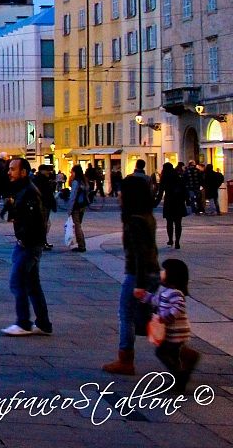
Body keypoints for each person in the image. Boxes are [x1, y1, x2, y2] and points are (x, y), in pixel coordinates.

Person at [102, 157, 159, 375]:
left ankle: (125, 359)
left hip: (138, 275)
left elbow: (140, 254)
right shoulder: (146, 216)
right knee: (146, 318)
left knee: (126, 314)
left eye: (122, 192)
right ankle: (178, 351)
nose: (119, 195)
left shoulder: (135, 220)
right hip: (149, 272)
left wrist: (140, 284)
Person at [3, 157, 52, 336]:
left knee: (17, 282)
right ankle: (44, 324)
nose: (9, 172)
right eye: (9, 169)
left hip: (29, 245)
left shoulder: (29, 192)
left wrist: (25, 240)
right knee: (33, 284)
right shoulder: (23, 189)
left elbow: (35, 222)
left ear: (23, 172)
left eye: (13, 169)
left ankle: (23, 323)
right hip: (28, 244)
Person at [134, 258, 200, 391]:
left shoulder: (176, 293)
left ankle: (179, 375)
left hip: (176, 332)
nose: (162, 273)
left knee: (162, 352)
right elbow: (155, 300)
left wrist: (165, 317)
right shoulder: (165, 292)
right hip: (170, 332)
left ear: (172, 276)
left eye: (165, 271)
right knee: (173, 354)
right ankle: (181, 371)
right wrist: (144, 296)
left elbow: (177, 309)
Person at [156, 162, 188, 249]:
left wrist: (156, 203)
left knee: (169, 222)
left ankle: (170, 239)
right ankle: (177, 241)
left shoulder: (164, 178)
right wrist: (186, 200)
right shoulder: (178, 176)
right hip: (179, 202)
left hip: (169, 201)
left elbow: (161, 192)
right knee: (178, 223)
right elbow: (184, 189)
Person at [66, 164, 90, 253]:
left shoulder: (76, 182)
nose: (71, 174)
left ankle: (81, 245)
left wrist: (69, 209)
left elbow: (73, 196)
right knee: (78, 224)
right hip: (82, 205)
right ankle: (81, 244)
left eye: (72, 172)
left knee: (77, 226)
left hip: (76, 206)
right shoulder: (84, 181)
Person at [33, 164, 57, 247]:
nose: (48, 172)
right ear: (42, 171)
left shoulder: (42, 179)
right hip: (43, 204)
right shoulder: (41, 180)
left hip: (45, 204)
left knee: (45, 224)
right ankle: (42, 242)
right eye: (47, 170)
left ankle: (43, 241)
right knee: (43, 224)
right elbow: (47, 193)